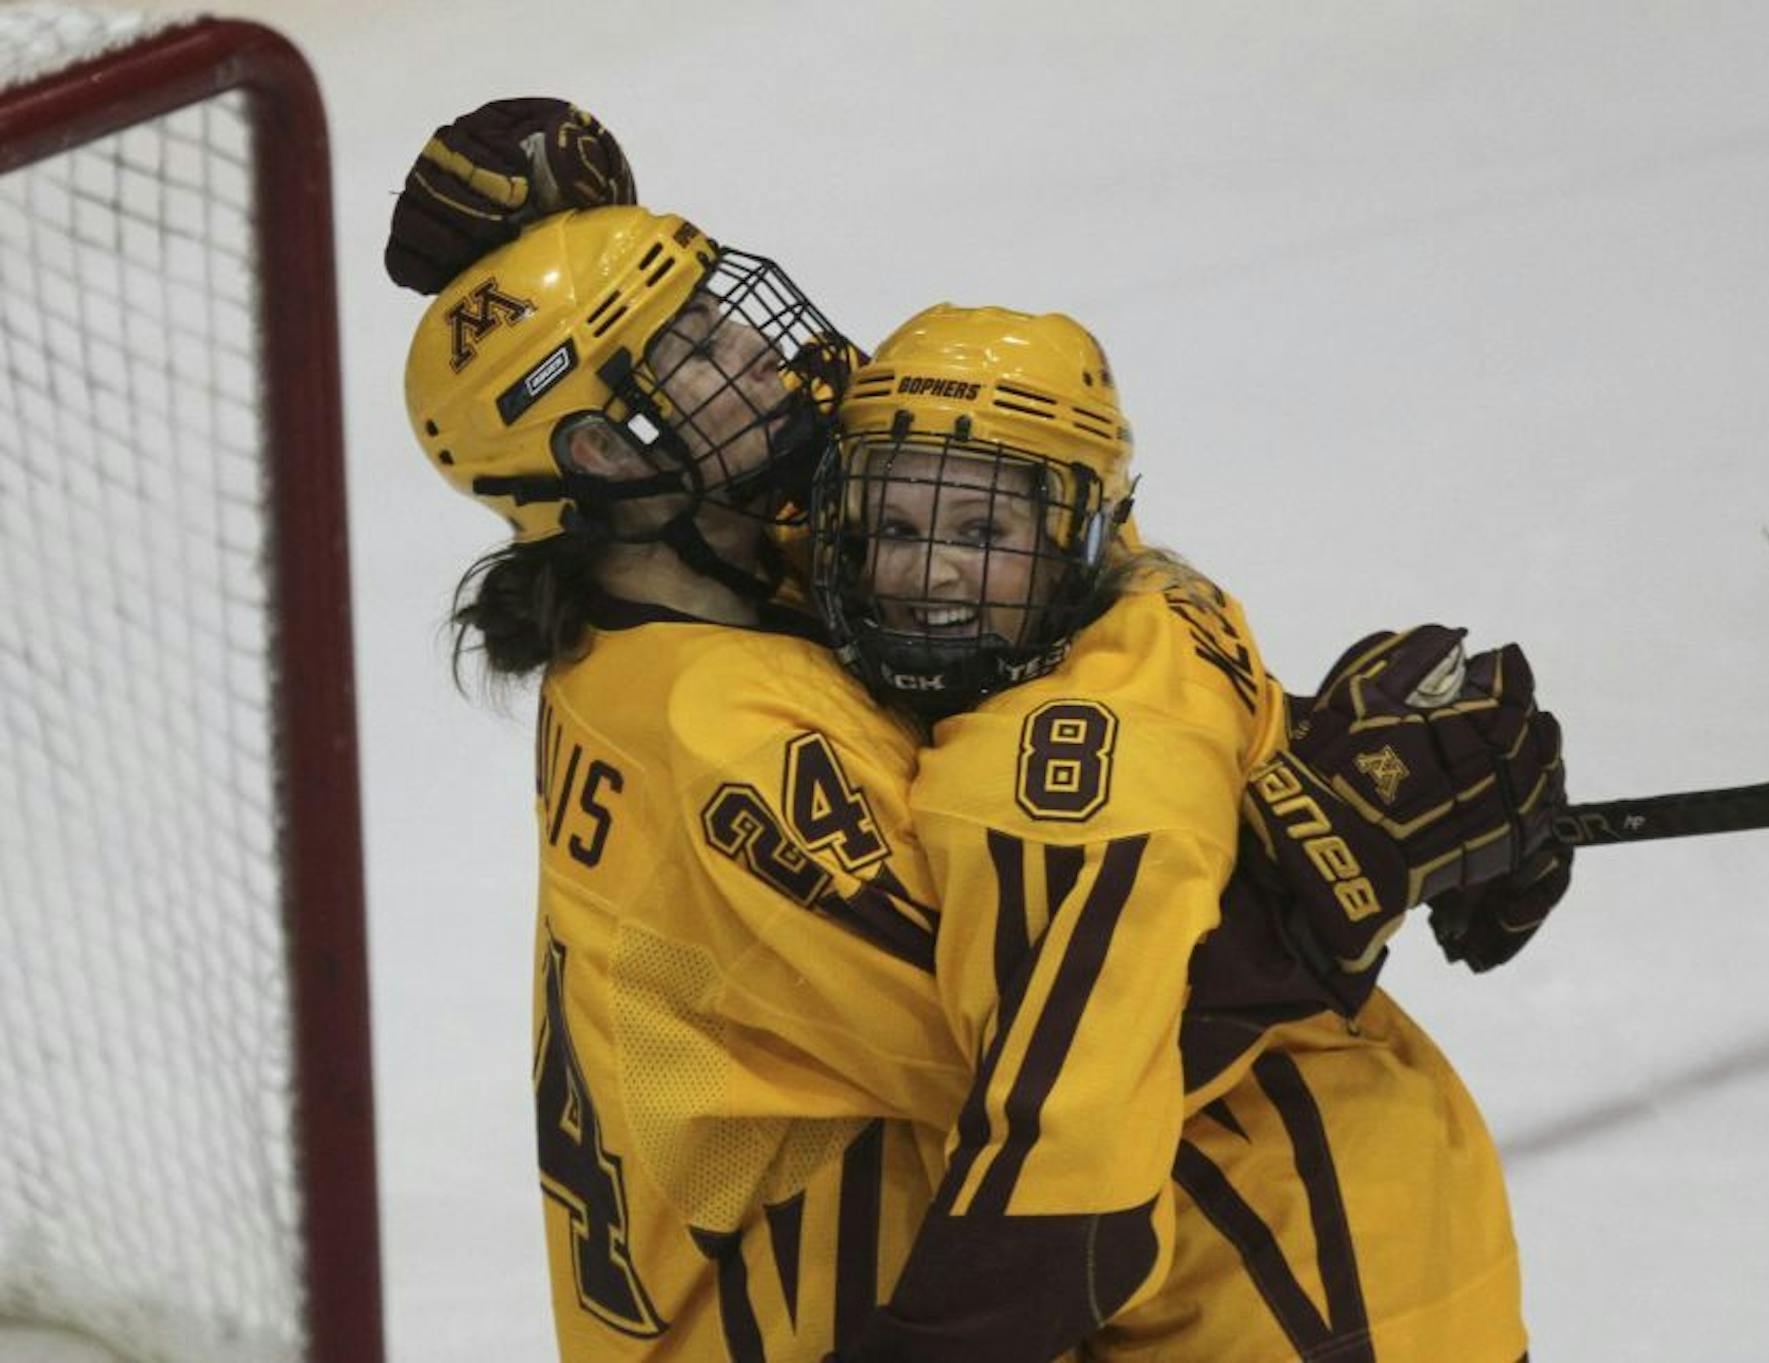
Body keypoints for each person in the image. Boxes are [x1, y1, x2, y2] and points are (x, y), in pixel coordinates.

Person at [393, 100, 1571, 1363]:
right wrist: (1327, 871)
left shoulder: (729, 581)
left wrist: (1312, 755)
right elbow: (1046, 1061)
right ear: (603, 455)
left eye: (720, 307)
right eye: (688, 350)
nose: (750, 348)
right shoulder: (726, 738)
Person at [810, 306, 1561, 1362]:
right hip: (1389, 1218)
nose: (928, 572)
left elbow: (1062, 1205)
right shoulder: (1164, 605)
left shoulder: (1040, 781)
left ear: (1076, 529)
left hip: (1288, 1299)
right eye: (894, 527)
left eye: (983, 534)